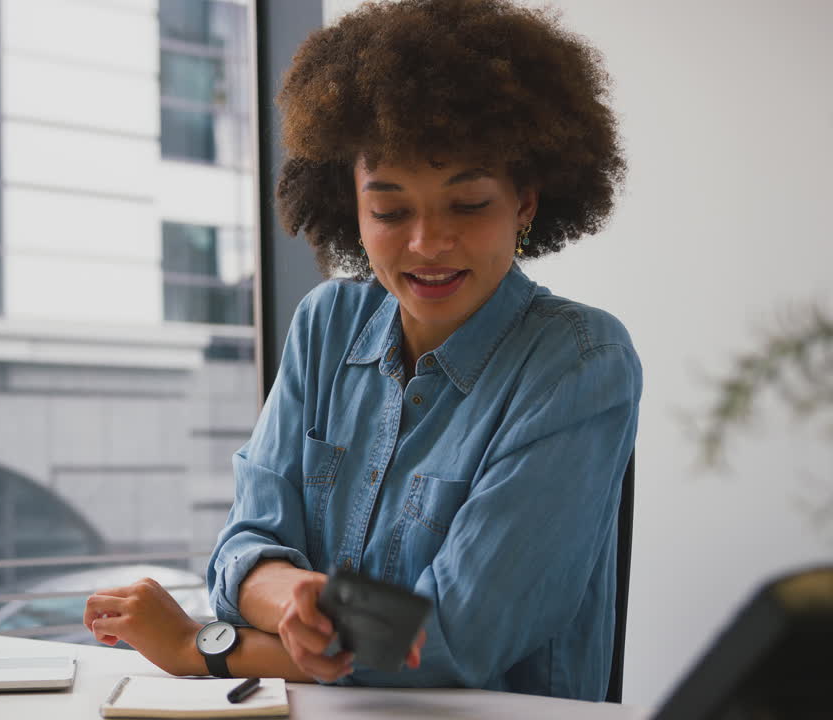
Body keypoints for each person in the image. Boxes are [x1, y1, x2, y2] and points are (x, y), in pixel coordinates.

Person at [83, 0, 640, 701]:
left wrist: (202, 649)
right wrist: (289, 595)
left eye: (467, 205)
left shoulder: (581, 362)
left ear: (525, 201)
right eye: (391, 210)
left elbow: (456, 637)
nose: (427, 243)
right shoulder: (327, 324)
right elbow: (243, 547)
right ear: (350, 204)